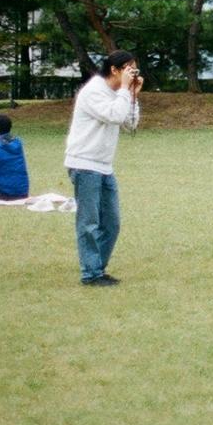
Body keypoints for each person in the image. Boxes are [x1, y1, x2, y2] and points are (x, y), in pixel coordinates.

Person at [64, 50, 142, 287]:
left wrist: (133, 95)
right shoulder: (94, 91)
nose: (133, 74)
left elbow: (130, 124)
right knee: (88, 222)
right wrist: (124, 92)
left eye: (135, 70)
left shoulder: (120, 93)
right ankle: (91, 273)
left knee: (112, 223)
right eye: (129, 69)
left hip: (104, 165)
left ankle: (97, 267)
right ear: (114, 70)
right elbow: (115, 115)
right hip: (84, 164)